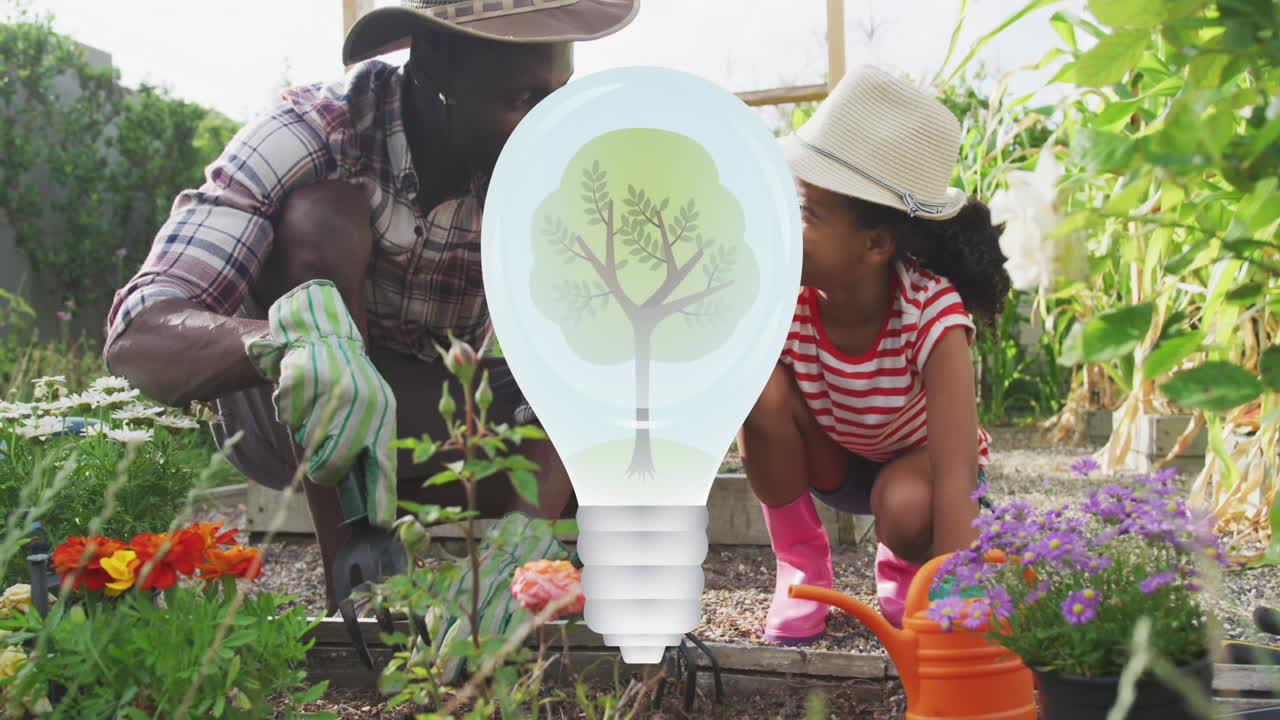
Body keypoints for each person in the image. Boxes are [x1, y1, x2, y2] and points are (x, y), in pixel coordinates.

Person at [102, 0, 639, 613]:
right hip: (292, 416)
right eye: (520, 100)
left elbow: (595, 349)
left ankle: (513, 581)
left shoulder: (554, 161)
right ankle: (359, 580)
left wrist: (524, 545)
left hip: (455, 420)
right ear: (435, 66)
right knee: (320, 216)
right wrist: (291, 345)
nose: (547, 126)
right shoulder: (315, 130)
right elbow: (139, 328)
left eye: (558, 95)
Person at [740, 65, 1011, 645]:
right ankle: (802, 569)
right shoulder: (785, 298)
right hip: (833, 458)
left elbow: (958, 466)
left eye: (808, 212)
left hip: (919, 470)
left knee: (906, 503)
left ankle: (907, 565)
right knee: (757, 392)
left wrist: (955, 589)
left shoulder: (932, 314)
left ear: (876, 244)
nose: (787, 220)